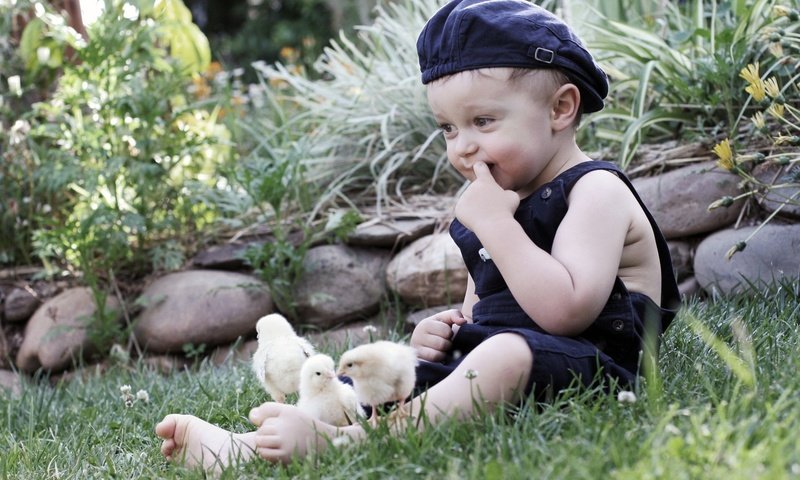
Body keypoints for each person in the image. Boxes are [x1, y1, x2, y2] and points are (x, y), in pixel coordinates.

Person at [155, 0, 680, 470]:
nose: (462, 147)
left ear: (560, 109)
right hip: (511, 364)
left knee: (502, 358)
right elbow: (488, 315)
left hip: (597, 369)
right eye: (449, 129)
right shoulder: (501, 199)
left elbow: (566, 312)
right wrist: (443, 334)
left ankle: (350, 445)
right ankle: (251, 444)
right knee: (389, 369)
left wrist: (495, 225)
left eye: (483, 121)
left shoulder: (597, 192)